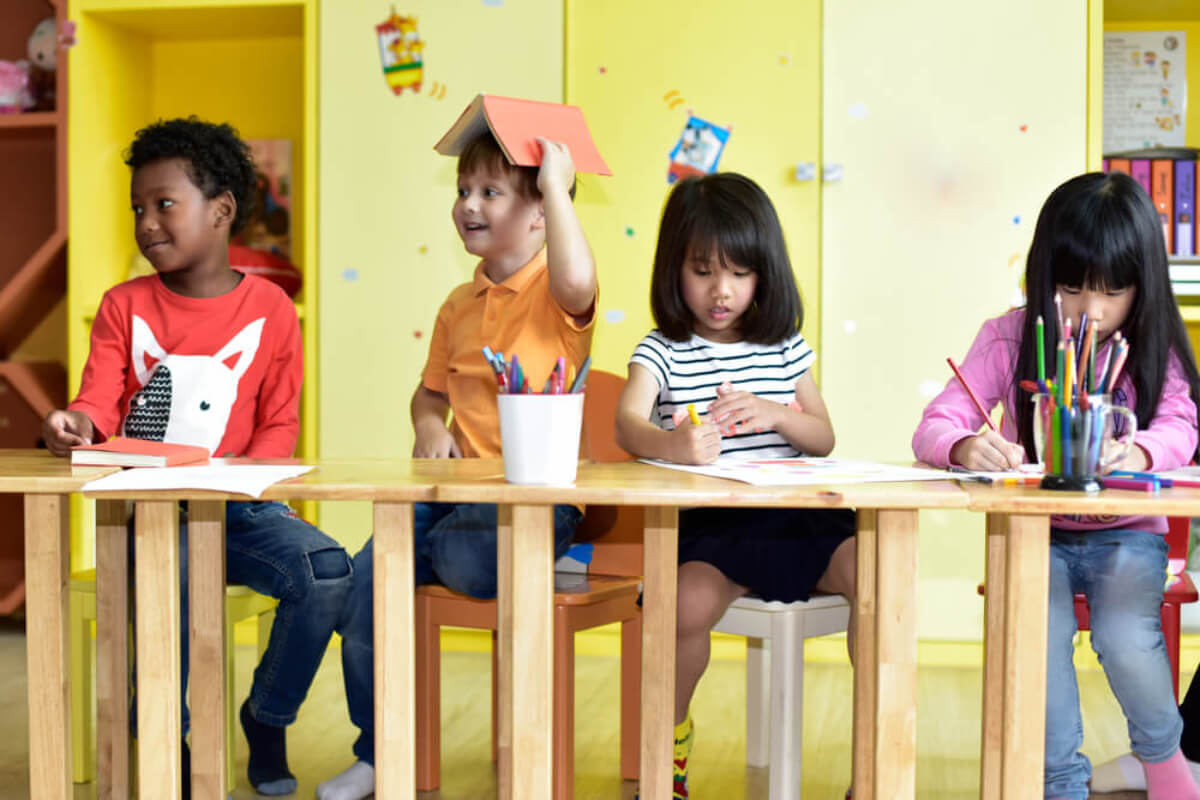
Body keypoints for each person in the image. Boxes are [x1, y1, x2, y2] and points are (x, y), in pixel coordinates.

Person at [41, 117, 351, 797]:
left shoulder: (272, 309)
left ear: (221, 210)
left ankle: (266, 716)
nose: (147, 223)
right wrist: (74, 423)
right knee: (172, 565)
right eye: (137, 209)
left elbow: (279, 424)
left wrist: (244, 492)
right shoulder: (123, 306)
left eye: (164, 204)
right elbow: (97, 403)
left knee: (328, 572)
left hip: (241, 510)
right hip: (151, 511)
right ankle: (164, 734)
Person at [316, 131, 598, 800]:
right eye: (463, 190)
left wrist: (556, 185)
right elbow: (429, 393)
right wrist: (426, 423)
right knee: (362, 588)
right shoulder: (456, 304)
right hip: (451, 496)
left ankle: (448, 551)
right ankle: (379, 753)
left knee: (466, 562)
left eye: (490, 192)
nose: (469, 204)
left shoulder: (557, 294)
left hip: (533, 503)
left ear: (540, 213)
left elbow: (579, 278)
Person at [912, 171, 1200, 800]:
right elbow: (935, 423)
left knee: (1126, 637)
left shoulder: (1154, 344)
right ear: (1044, 276)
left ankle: (1165, 763)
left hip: (1128, 534)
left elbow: (1182, 426)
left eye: (1113, 291)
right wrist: (963, 445)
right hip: (1032, 534)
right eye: (1070, 289)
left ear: (1143, 284)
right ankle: (1059, 783)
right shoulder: (1009, 336)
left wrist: (1139, 451)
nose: (1090, 311)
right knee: (1037, 642)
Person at [613, 172, 856, 799]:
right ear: (674, 269)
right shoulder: (662, 350)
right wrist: (671, 444)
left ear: (764, 273)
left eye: (740, 273)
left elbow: (824, 436)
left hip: (799, 522)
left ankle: (875, 758)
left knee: (877, 575)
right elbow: (626, 423)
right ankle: (668, 746)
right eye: (702, 271)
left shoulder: (784, 346)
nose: (722, 291)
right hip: (713, 532)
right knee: (682, 606)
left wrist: (778, 415)